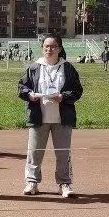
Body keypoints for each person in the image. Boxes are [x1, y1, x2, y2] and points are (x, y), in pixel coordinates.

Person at [19, 36, 84, 198]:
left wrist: (63, 96)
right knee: (34, 151)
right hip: (38, 117)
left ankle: (64, 183)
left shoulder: (68, 68)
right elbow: (22, 87)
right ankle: (32, 182)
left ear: (60, 48)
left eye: (53, 46)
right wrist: (30, 95)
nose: (49, 49)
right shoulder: (34, 67)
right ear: (42, 48)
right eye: (46, 46)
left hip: (62, 118)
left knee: (63, 153)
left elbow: (77, 90)